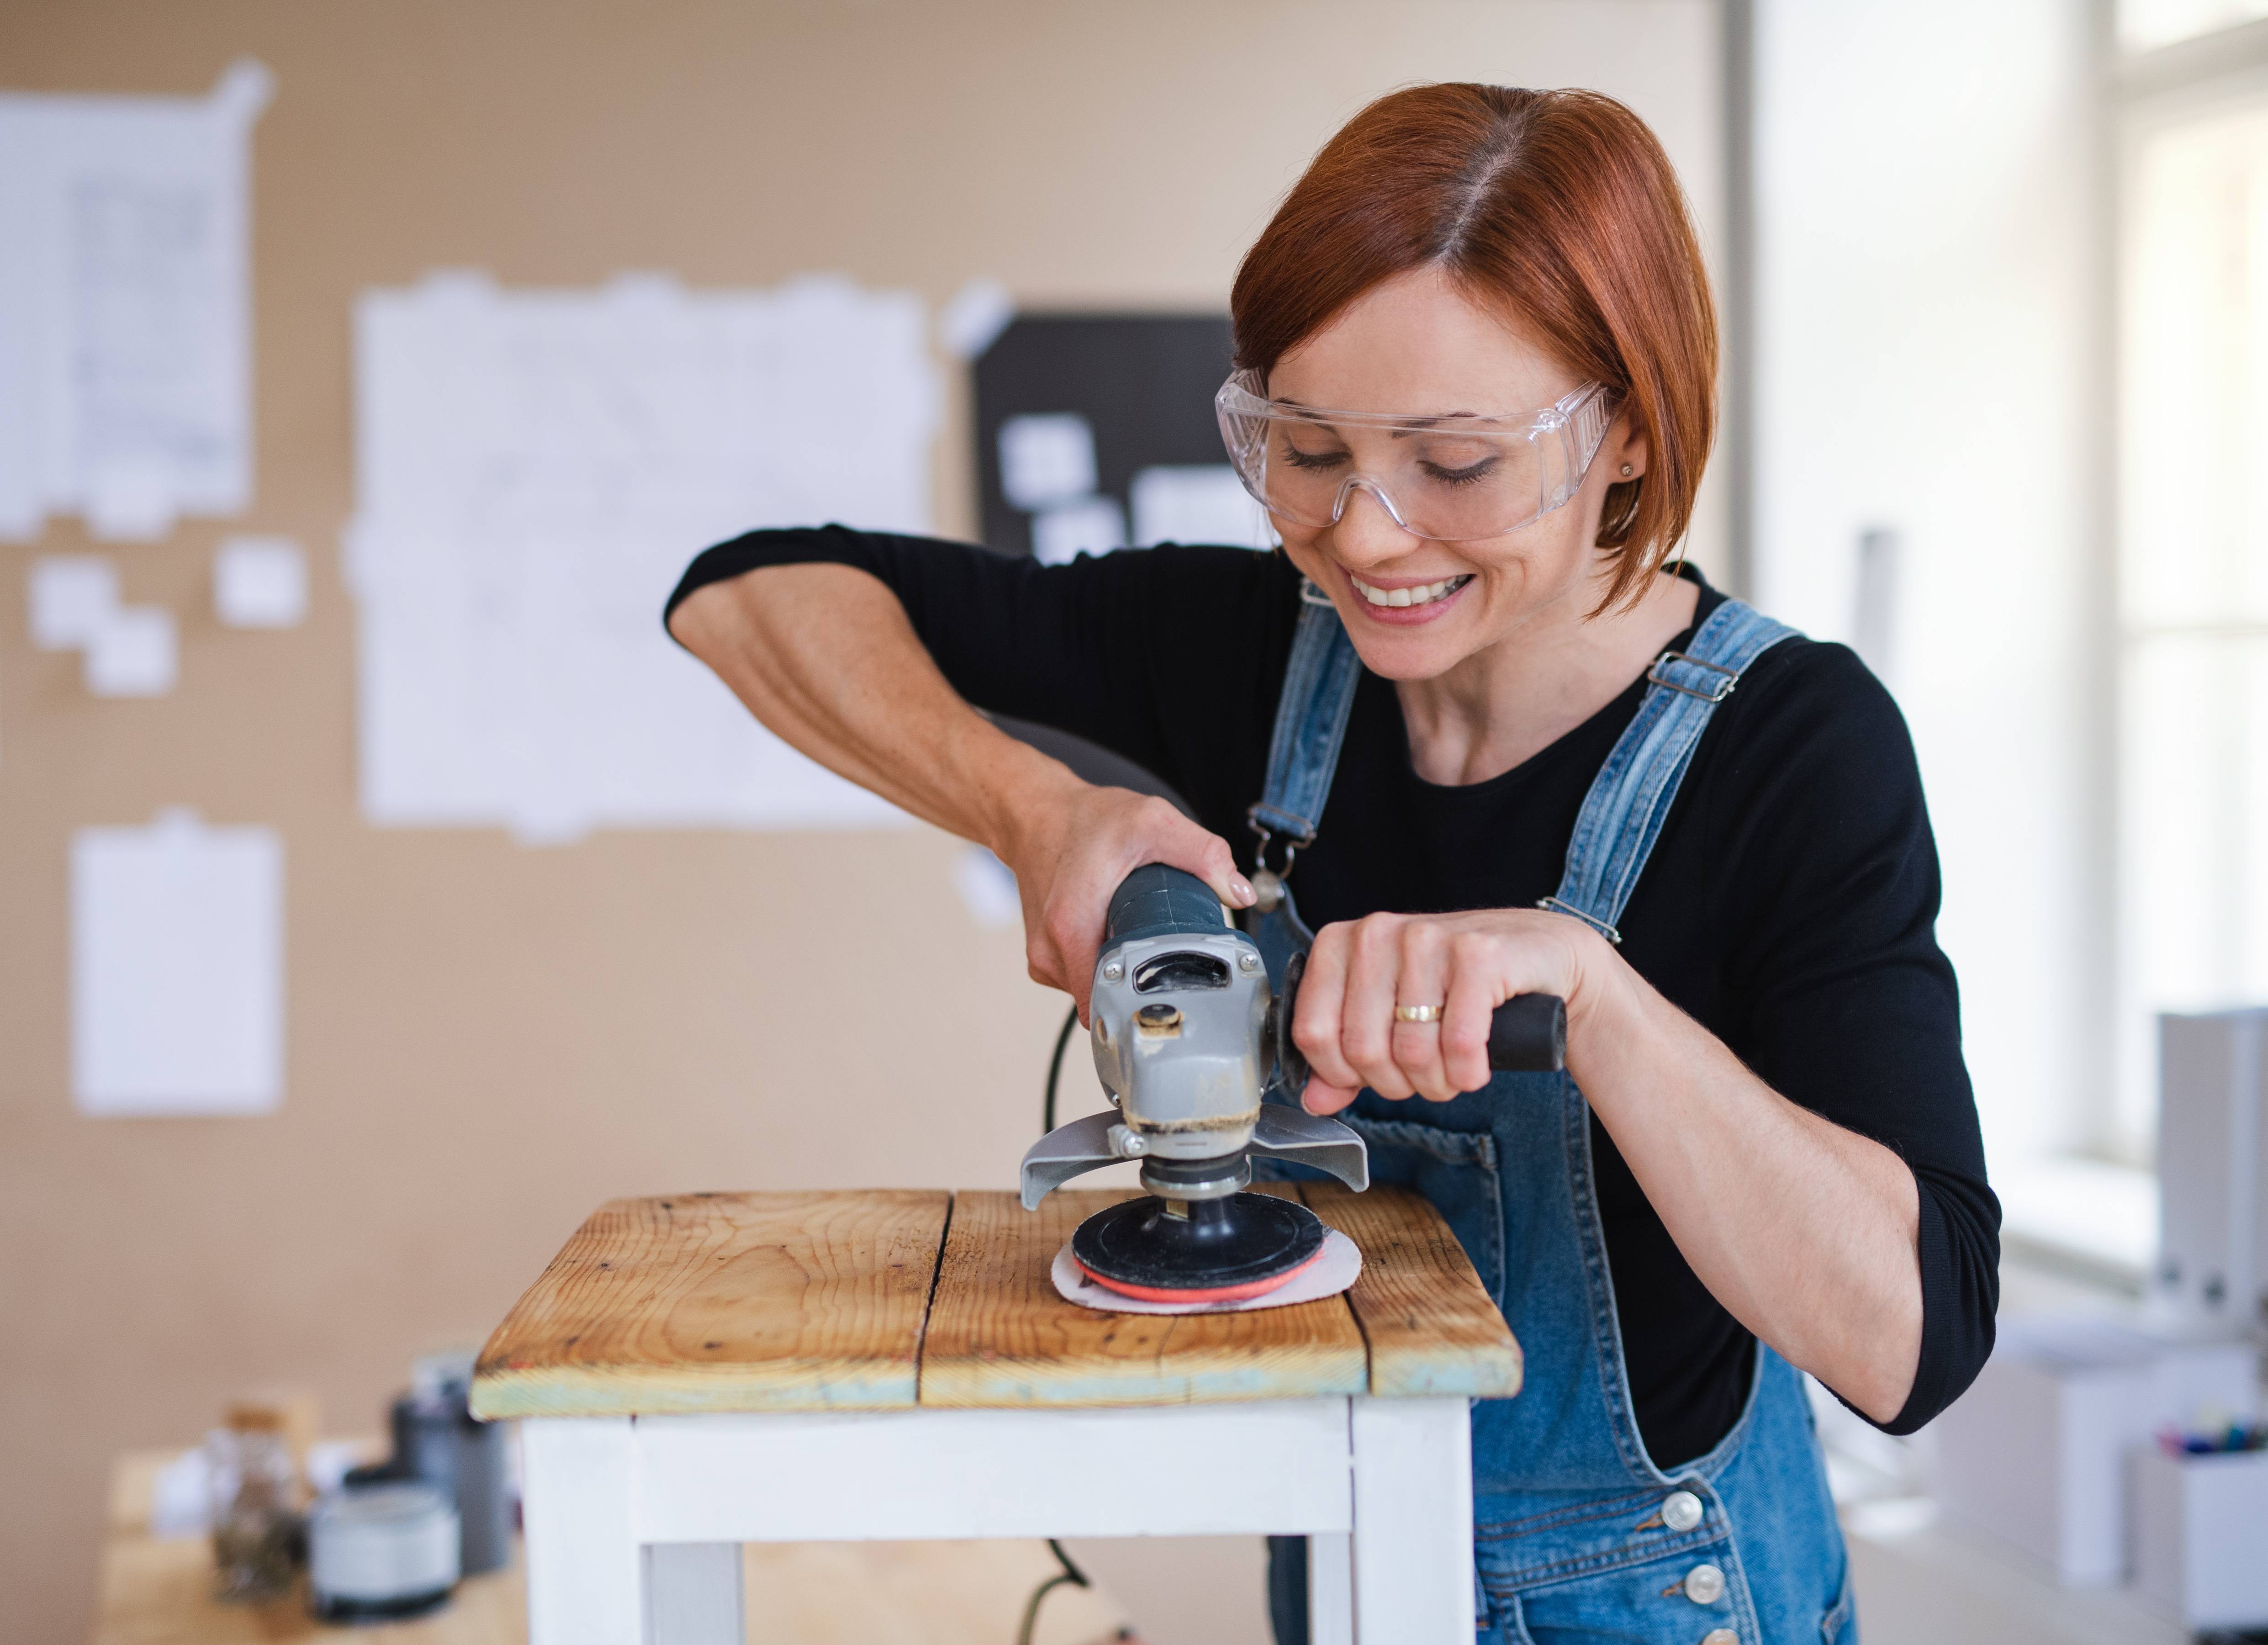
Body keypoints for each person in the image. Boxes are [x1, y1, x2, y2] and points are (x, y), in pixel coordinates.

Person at [666, 82, 1996, 1645]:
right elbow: (746, 594)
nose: (1365, 536)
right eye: (1306, 448)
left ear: (1627, 427)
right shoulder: (1249, 653)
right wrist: (1034, 809)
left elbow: (1912, 1339)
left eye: (1454, 463)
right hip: (1359, 1593)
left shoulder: (1794, 746)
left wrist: (1600, 1005)